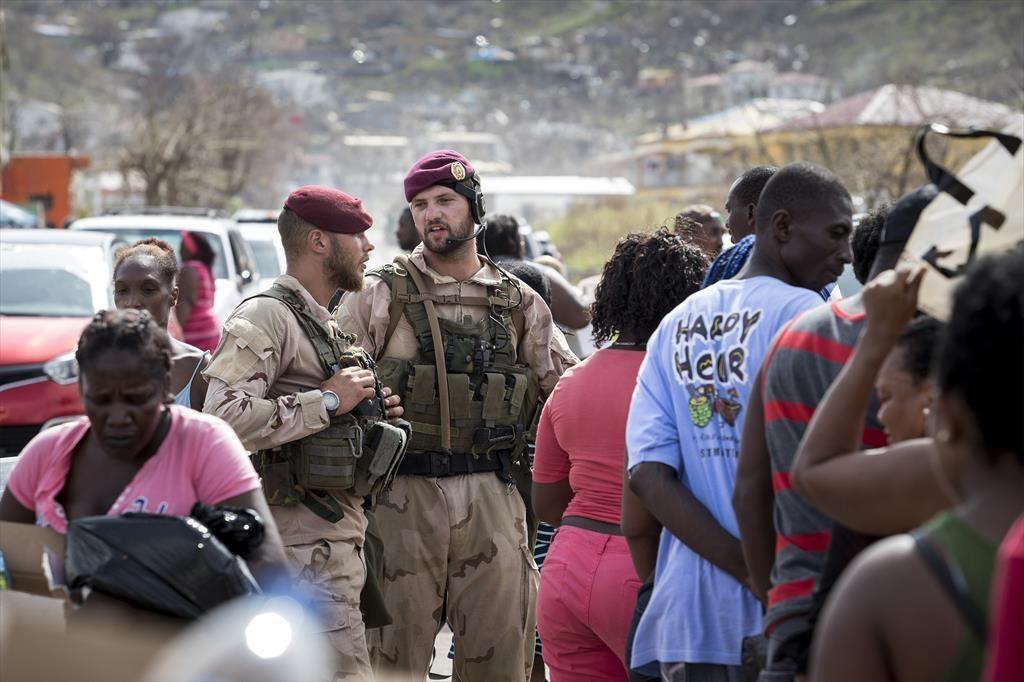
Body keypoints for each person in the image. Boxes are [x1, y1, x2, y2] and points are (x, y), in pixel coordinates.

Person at [337, 149, 577, 681]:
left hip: (494, 497)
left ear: (474, 206)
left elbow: (565, 392)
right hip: (402, 498)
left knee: (501, 662)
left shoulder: (518, 302)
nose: (431, 215)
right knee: (391, 663)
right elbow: (328, 385)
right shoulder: (381, 293)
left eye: (445, 200)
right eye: (420, 205)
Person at [626, 162, 853, 681]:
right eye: (836, 234)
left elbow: (647, 474)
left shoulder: (676, 324)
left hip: (690, 620)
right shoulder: (810, 320)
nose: (845, 254)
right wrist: (761, 576)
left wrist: (737, 565)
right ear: (782, 227)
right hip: (787, 611)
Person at [203, 186, 405, 680]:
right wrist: (330, 400)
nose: (369, 246)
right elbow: (222, 415)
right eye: (358, 235)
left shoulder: (322, 321)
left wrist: (369, 412)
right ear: (318, 241)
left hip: (334, 542)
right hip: (302, 554)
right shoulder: (267, 315)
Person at [732, 191, 926, 681]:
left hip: (797, 616)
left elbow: (749, 487)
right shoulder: (935, 340)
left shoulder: (795, 335)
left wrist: (775, 597)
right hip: (909, 618)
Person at [811, 245, 1024, 682]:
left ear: (945, 409)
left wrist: (875, 338)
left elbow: (815, 471)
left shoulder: (888, 588)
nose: (883, 412)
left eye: (887, 397)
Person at [0, 309, 287, 587]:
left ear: (165, 386)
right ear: (81, 391)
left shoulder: (204, 445)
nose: (118, 417)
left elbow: (270, 568)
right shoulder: (48, 453)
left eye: (135, 399)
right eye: (100, 399)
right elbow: (12, 555)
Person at [533, 229, 708, 681]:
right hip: (649, 570)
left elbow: (547, 502)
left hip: (564, 571)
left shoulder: (573, 380)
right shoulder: (682, 381)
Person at [113, 238, 210, 410]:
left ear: (173, 296)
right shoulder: (99, 362)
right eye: (122, 290)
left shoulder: (199, 369)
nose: (132, 302)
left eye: (148, 290)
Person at [482, 213, 591, 331]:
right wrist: (590, 293)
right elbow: (579, 317)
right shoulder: (535, 273)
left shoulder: (469, 274)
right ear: (513, 243)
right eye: (521, 240)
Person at [704, 166, 777, 286]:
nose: (726, 223)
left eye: (730, 210)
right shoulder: (810, 284)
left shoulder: (721, 291)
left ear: (751, 213)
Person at [176, 230, 221, 352]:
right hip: (209, 328)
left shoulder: (188, 269)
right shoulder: (204, 268)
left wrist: (175, 333)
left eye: (182, 246)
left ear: (190, 249)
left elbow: (186, 302)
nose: (179, 250)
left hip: (195, 331)